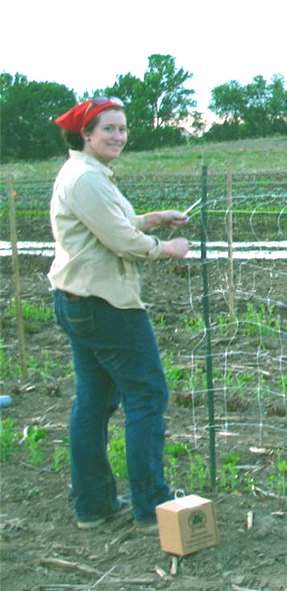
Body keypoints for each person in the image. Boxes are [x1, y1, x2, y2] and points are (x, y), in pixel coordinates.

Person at [49, 96, 189, 530]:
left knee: (94, 401)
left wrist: (153, 218)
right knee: (147, 396)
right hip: (107, 306)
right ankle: (152, 506)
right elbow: (121, 241)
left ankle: (93, 505)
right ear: (85, 134)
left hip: (80, 300)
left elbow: (118, 222)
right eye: (108, 128)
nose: (118, 136)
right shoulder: (86, 179)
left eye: (123, 129)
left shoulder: (89, 174)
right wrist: (167, 248)